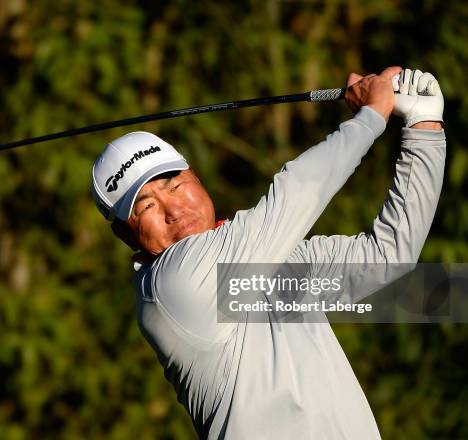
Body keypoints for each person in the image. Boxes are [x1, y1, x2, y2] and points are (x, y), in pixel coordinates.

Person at [90, 67, 446, 439]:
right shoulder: (170, 284)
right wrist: (370, 117)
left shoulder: (261, 258)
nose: (173, 209)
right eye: (145, 207)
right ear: (123, 234)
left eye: (175, 183)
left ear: (195, 176)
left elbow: (387, 256)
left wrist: (424, 127)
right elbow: (292, 196)